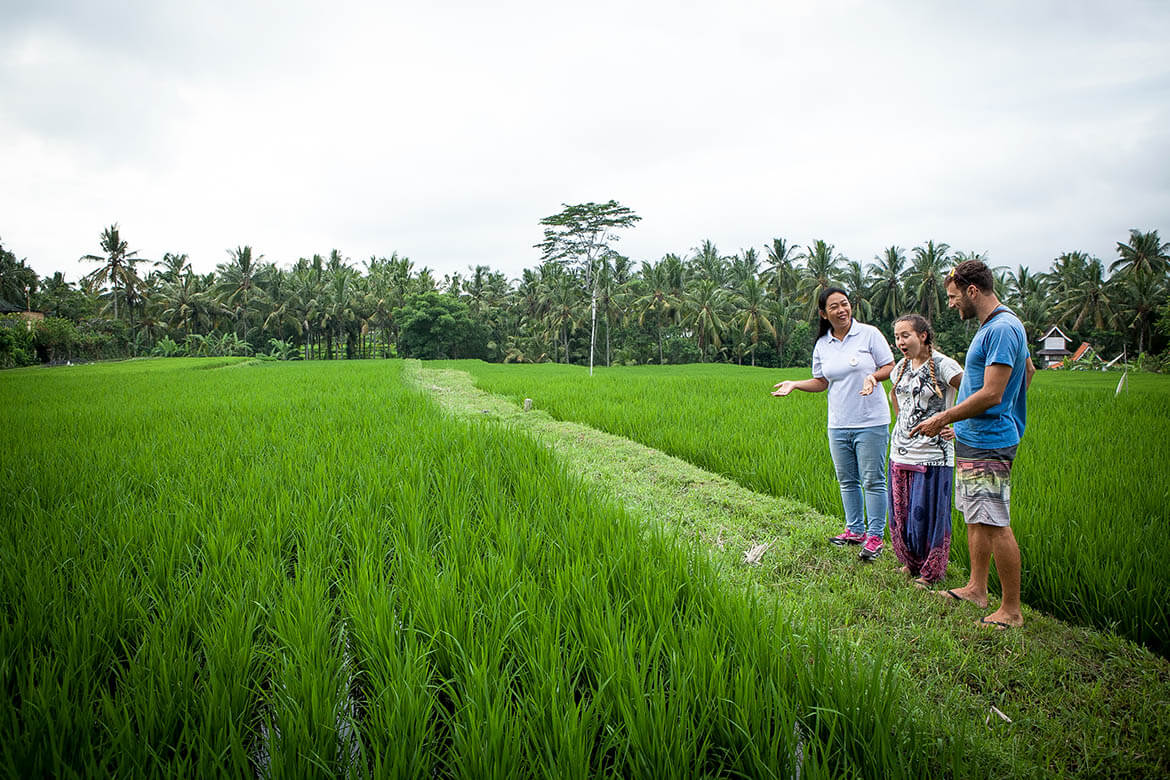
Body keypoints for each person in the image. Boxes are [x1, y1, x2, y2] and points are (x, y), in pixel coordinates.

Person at [911, 260, 1036, 629]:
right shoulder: (996, 326)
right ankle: (976, 588)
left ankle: (1011, 610)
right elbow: (1027, 371)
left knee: (995, 522)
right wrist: (1009, 410)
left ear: (972, 290)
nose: (951, 304)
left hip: (988, 441)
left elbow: (993, 393)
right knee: (976, 516)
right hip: (976, 437)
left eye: (953, 297)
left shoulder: (1001, 328)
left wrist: (944, 418)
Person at [773, 287, 895, 561]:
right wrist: (794, 384)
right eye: (834, 307)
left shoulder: (869, 334)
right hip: (838, 423)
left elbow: (890, 366)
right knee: (847, 480)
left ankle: (875, 536)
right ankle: (854, 530)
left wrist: (874, 377)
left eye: (845, 304)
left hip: (871, 421)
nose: (842, 310)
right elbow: (821, 381)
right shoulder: (822, 344)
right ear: (823, 314)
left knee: (873, 480)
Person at [887, 314, 963, 587]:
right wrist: (901, 424)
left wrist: (957, 426)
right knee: (902, 514)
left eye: (905, 335)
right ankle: (910, 563)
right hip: (900, 451)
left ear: (923, 335)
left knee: (930, 515)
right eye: (897, 337)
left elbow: (973, 393)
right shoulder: (900, 367)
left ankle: (931, 572)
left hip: (934, 455)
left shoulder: (944, 365)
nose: (900, 342)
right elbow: (895, 396)